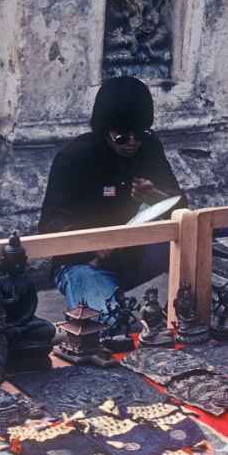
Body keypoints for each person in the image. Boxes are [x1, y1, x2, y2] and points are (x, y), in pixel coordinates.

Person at [38, 76, 186, 323]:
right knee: (113, 324)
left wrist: (155, 196)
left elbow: (181, 208)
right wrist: (91, 241)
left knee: (196, 286)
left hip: (138, 255)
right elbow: (49, 225)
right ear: (106, 130)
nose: (131, 143)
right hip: (83, 264)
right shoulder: (74, 158)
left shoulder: (149, 148)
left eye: (138, 135)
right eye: (122, 137)